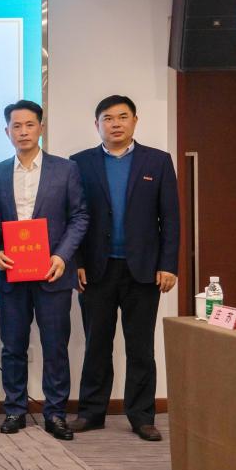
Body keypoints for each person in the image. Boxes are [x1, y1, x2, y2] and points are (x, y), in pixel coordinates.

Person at [70, 95, 179, 442]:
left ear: (135, 120)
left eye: (122, 117)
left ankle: (142, 416)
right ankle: (91, 413)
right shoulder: (80, 163)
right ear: (97, 124)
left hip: (143, 270)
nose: (115, 124)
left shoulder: (157, 161)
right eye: (108, 118)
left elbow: (171, 217)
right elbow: (74, 218)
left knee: (141, 347)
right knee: (96, 344)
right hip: (96, 270)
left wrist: (168, 264)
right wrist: (76, 263)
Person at [0, 101, 88, 440]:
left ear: (41, 128)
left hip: (52, 274)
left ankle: (55, 413)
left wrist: (62, 257)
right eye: (16, 126)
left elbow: (79, 216)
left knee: (55, 346)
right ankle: (15, 410)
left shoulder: (66, 169)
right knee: (13, 346)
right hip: (13, 274)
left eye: (29, 125)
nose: (23, 131)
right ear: (7, 132)